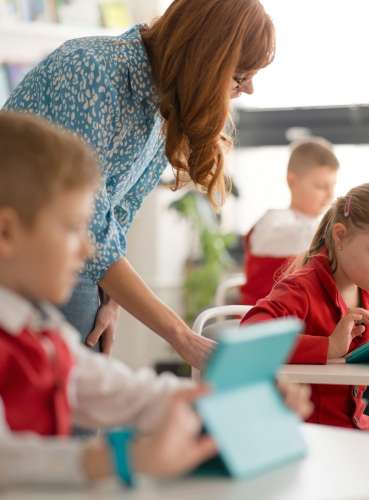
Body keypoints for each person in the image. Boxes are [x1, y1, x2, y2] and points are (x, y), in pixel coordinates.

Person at [0, 111, 312, 488]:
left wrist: (229, 397)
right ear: (6, 233)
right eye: (72, 228)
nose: (88, 249)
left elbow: (120, 392)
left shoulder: (39, 328)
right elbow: (9, 460)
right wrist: (121, 457)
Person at [3, 0, 276, 368]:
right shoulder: (93, 71)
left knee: (83, 397)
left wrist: (111, 299)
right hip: (22, 254)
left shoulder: (161, 103)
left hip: (64, 255)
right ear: (205, 59)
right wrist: (181, 337)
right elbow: (93, 228)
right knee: (62, 405)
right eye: (240, 76)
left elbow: (118, 214)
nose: (249, 89)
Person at [241, 181, 369, 432]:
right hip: (313, 433)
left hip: (357, 426)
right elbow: (249, 339)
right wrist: (327, 347)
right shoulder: (301, 289)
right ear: (340, 236)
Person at [241, 137, 338, 305]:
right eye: (321, 186)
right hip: (261, 318)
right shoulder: (273, 221)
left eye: (332, 186)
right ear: (292, 181)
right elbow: (301, 238)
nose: (330, 195)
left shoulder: (320, 227)